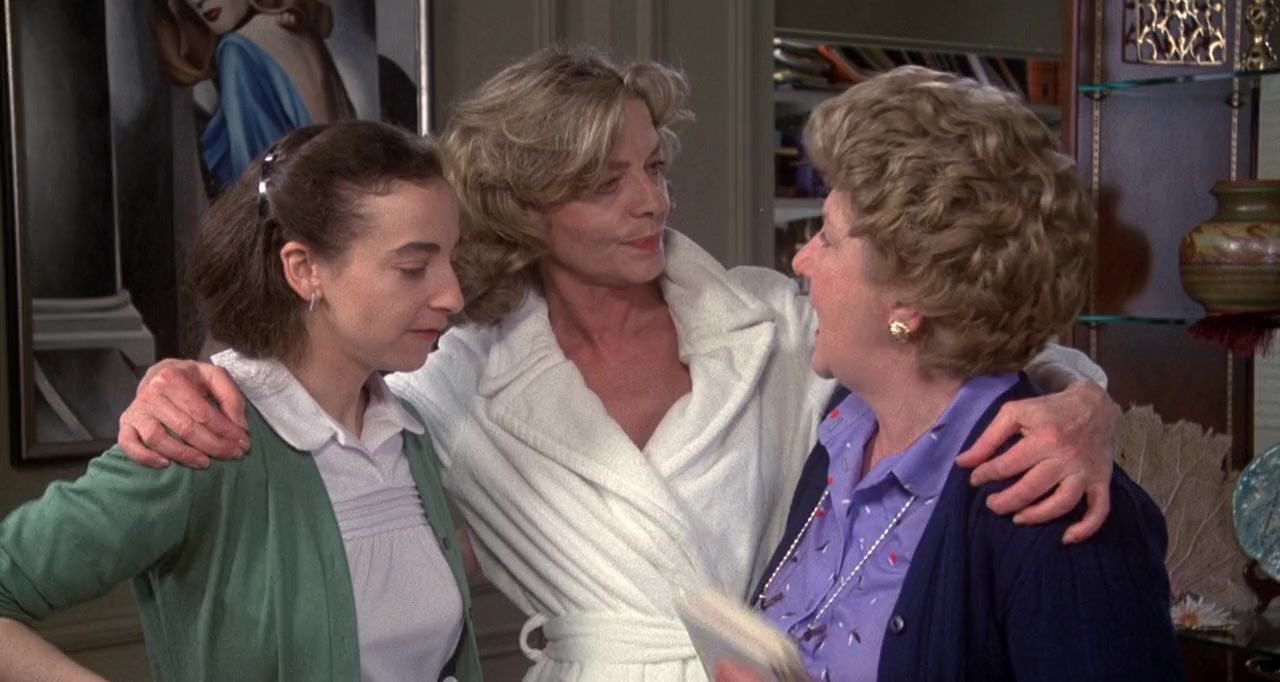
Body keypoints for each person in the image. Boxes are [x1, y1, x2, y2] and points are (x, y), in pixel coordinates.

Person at [116, 47, 1122, 681]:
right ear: (523, 204)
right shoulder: (450, 366)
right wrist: (180, 382)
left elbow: (970, 338)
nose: (650, 202)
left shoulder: (768, 322)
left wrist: (1085, 406)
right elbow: (299, 376)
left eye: (654, 166)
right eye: (603, 183)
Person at [721, 67, 1181, 682]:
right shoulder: (842, 435)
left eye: (827, 240)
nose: (801, 261)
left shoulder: (1050, 508)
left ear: (910, 300)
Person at [0, 121, 481, 681]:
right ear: (304, 270)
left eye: (451, 261)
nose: (453, 296)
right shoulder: (202, 434)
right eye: (413, 268)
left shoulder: (404, 430)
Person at [150, 0, 355, 189]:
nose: (198, 1)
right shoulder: (293, 27)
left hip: (298, 206)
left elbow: (256, 185)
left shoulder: (237, 50)